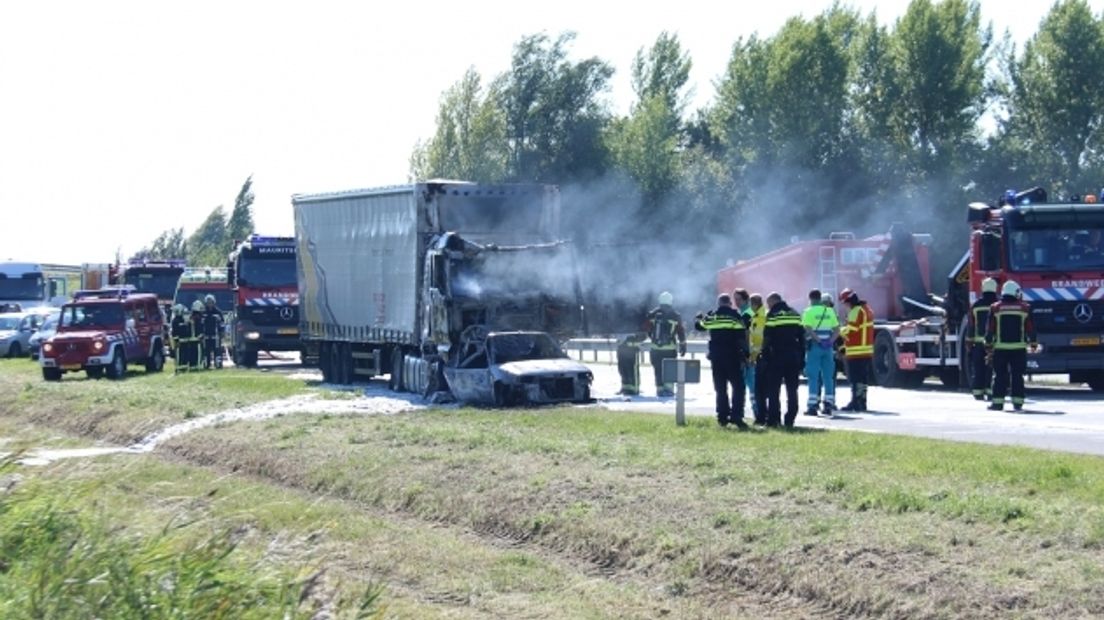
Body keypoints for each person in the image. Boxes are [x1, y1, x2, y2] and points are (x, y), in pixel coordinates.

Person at [694, 293, 750, 428]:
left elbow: (699, 327)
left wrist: (699, 318)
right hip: (732, 357)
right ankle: (736, 416)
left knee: (720, 388)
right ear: (729, 303)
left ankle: (722, 417)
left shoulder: (712, 316)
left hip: (716, 358)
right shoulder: (735, 317)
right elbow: (741, 338)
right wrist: (746, 355)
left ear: (719, 303)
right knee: (738, 387)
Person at [985, 280, 1037, 411]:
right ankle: (1018, 402)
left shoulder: (995, 307)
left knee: (999, 376)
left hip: (1000, 348)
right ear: (1015, 292)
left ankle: (997, 403)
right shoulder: (1025, 308)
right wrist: (1033, 343)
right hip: (1019, 348)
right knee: (1017, 376)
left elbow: (990, 328)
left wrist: (988, 344)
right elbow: (1030, 328)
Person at [757, 292, 805, 428]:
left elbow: (767, 337)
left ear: (772, 301)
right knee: (792, 389)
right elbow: (801, 338)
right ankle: (790, 419)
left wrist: (763, 353)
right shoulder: (795, 314)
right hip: (793, 356)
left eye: (768, 303)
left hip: (776, 357)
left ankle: (773, 419)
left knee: (773, 389)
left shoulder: (772, 315)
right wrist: (801, 358)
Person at [802, 289, 840, 416]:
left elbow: (807, 328)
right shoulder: (829, 311)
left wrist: (818, 340)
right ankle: (829, 404)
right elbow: (836, 329)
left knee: (813, 376)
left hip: (815, 347)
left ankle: (812, 405)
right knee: (828, 377)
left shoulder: (808, 311)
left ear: (811, 299)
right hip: (828, 348)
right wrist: (830, 341)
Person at [644, 291, 687, 397]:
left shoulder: (652, 314)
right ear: (671, 301)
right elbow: (680, 331)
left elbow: (646, 328)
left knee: (658, 370)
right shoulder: (676, 315)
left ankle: (659, 390)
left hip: (655, 349)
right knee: (670, 370)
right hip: (670, 349)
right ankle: (669, 390)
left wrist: (653, 338)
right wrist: (683, 344)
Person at [839, 289, 874, 412]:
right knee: (863, 379)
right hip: (866, 350)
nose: (845, 306)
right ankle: (862, 402)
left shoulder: (855, 311)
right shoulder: (867, 309)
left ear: (849, 301)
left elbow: (852, 330)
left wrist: (840, 331)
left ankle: (855, 402)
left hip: (855, 351)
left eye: (845, 303)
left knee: (854, 379)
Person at [967, 277, 1000, 401]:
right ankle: (991, 391)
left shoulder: (975, 305)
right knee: (992, 368)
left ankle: (978, 392)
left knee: (978, 368)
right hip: (995, 343)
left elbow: (971, 325)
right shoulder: (998, 305)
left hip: (978, 343)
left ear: (983, 289)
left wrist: (969, 342)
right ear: (995, 288)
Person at [733, 288, 761, 421]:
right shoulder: (743, 313)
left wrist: (747, 354)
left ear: (746, 300)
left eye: (738, 299)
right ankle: (753, 412)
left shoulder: (747, 314)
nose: (736, 302)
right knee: (747, 385)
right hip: (747, 354)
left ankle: (757, 413)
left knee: (751, 385)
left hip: (749, 355)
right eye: (735, 299)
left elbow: (746, 336)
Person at [747, 293, 767, 425]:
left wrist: (752, 357)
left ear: (754, 304)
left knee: (759, 389)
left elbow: (758, 339)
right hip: (765, 356)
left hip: (760, 357)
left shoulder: (759, 317)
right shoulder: (762, 314)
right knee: (764, 389)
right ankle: (763, 415)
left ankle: (761, 416)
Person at [201, 294, 224, 369]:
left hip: (216, 336)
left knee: (217, 351)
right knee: (206, 351)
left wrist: (222, 332)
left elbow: (222, 324)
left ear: (214, 302)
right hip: (206, 336)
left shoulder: (218, 312)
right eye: (208, 302)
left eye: (211, 302)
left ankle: (218, 364)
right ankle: (206, 364)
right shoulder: (203, 312)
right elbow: (200, 324)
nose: (209, 304)